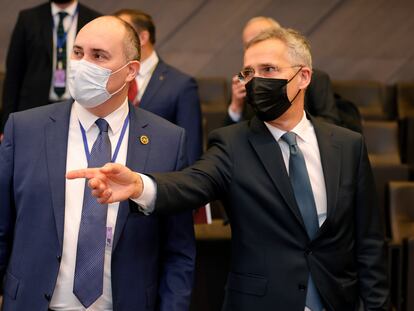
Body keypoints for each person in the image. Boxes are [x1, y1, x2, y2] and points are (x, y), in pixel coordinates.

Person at [68, 27, 390, 311]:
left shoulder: (347, 146)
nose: (256, 80)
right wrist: (140, 186)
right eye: (249, 72)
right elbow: (193, 182)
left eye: (269, 69)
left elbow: (369, 241)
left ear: (303, 77)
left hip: (337, 300)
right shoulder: (233, 143)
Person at [0, 16, 195, 311]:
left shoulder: (167, 141)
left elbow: (178, 250)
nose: (81, 64)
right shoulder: (25, 128)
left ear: (130, 71)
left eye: (98, 56)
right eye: (77, 52)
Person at [0, 0, 101, 137]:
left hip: (79, 109)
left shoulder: (95, 20)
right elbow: (13, 74)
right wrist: (6, 123)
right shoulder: (29, 18)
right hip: (34, 107)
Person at [114, 9, 203, 165]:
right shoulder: (111, 78)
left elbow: (191, 151)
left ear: (142, 37)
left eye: (122, 32)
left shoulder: (181, 85)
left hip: (159, 179)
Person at [225, 16, 341, 127]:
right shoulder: (242, 78)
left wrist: (293, 126)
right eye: (249, 44)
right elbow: (227, 137)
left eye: (265, 38)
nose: (258, 46)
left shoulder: (314, 78)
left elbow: (331, 122)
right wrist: (235, 107)